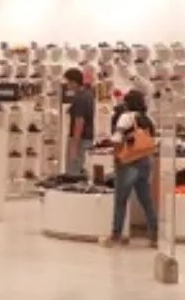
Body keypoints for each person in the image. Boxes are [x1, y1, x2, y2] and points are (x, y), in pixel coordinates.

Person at [104, 89, 159, 247]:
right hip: (145, 160)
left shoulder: (126, 117)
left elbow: (117, 139)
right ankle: (154, 236)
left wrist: (116, 156)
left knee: (121, 201)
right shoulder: (148, 119)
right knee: (146, 201)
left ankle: (116, 235)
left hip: (128, 161)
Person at [64, 68, 95, 177]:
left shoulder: (80, 98)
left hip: (80, 139)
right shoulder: (88, 95)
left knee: (74, 172)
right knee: (81, 167)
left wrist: (74, 144)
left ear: (74, 82)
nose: (67, 85)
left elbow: (79, 121)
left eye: (68, 82)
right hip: (87, 137)